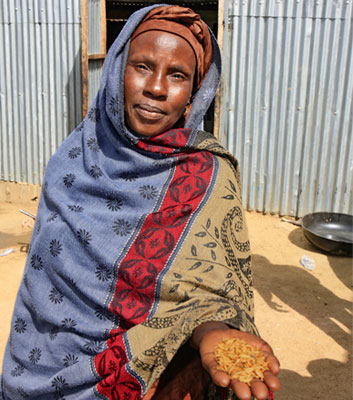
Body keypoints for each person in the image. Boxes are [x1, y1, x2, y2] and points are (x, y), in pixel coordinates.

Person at [0, 5, 280, 400]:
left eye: (178, 75)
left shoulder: (206, 176)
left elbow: (214, 290)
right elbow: (43, 283)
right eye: (143, 67)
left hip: (133, 382)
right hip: (36, 365)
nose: (157, 87)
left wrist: (211, 330)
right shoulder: (75, 156)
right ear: (118, 72)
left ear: (193, 94)